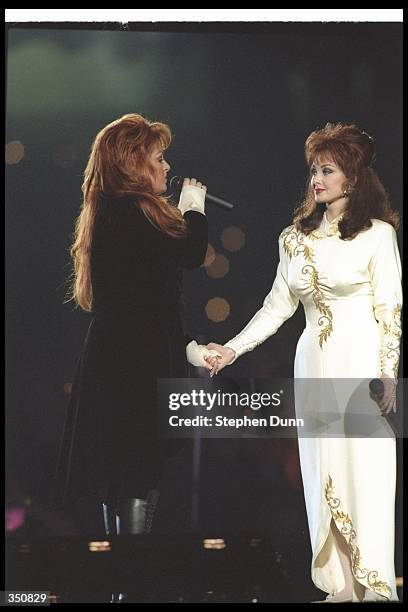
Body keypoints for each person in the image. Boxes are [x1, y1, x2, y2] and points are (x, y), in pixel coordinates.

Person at [194, 123, 402, 602]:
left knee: (365, 477)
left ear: (351, 178)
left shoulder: (379, 236)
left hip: (362, 367)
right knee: (324, 473)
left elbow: (390, 309)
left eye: (326, 170)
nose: (317, 179)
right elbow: (276, 307)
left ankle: (374, 589)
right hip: (313, 364)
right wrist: (232, 348)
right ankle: (343, 589)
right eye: (313, 170)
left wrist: (388, 373)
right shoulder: (294, 238)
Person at [53, 113, 219, 550]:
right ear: (133, 162)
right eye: (159, 158)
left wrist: (188, 350)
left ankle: (129, 576)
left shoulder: (118, 213)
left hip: (131, 357)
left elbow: (155, 298)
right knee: (134, 468)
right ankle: (130, 578)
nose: (166, 166)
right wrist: (194, 207)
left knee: (134, 469)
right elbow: (189, 252)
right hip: (130, 364)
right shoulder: (126, 212)